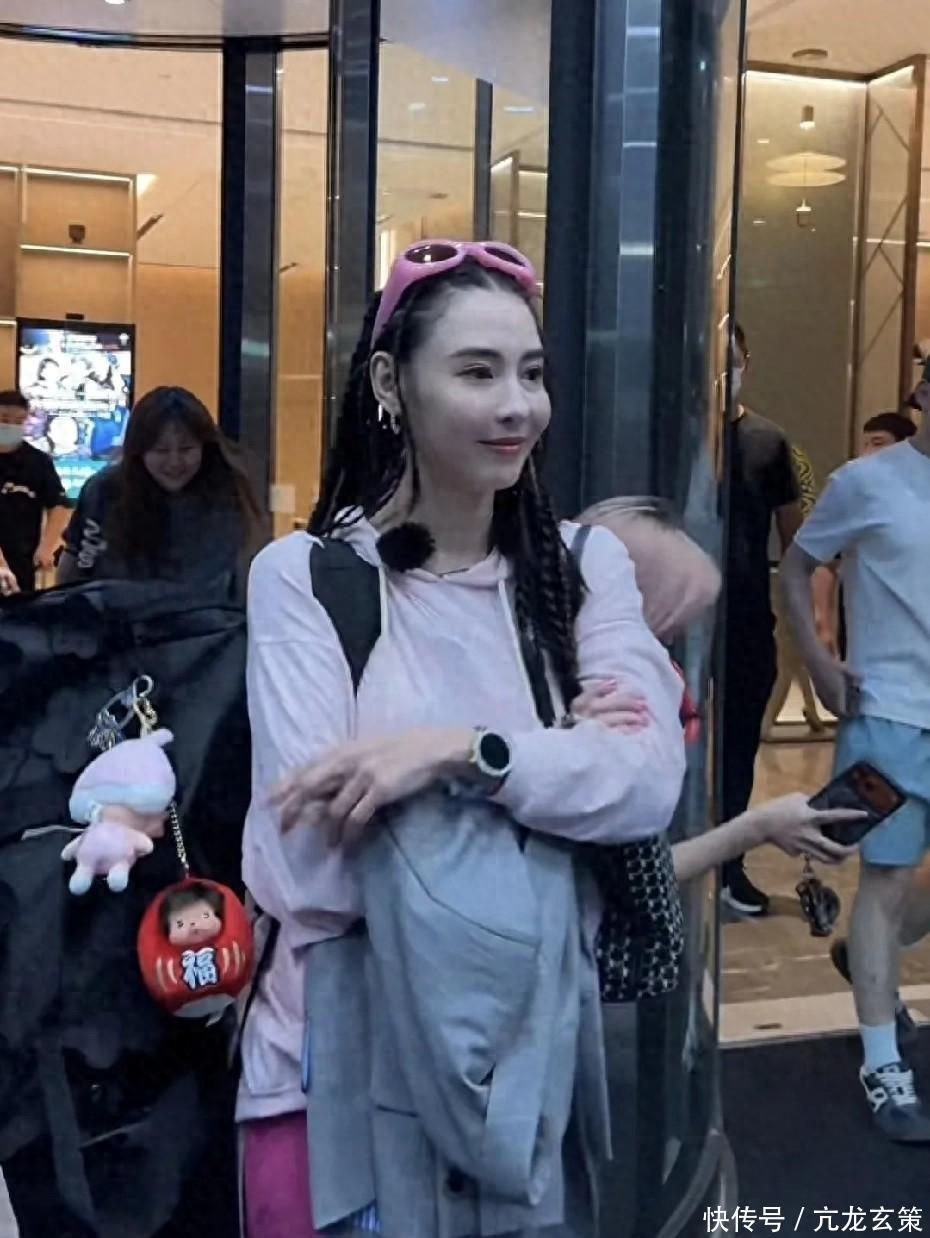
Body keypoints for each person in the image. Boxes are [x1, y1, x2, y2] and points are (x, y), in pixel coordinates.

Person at [239, 240, 687, 1238]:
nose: (517, 406)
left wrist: (457, 753)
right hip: (334, 1074)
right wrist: (560, 779)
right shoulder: (308, 578)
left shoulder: (584, 568)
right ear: (390, 383)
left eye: (531, 373)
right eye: (477, 372)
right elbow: (309, 867)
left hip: (527, 1072)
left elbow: (647, 783)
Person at [780, 409, 930, 1142]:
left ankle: (870, 953)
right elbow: (798, 564)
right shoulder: (865, 483)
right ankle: (882, 1062)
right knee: (887, 881)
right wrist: (818, 658)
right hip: (891, 714)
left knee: (901, 899)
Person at [722, 324, 804, 915]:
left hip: (746, 614)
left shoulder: (767, 441)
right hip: (672, 617)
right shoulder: (671, 433)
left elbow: (794, 536)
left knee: (738, 745)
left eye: (734, 359)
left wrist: (807, 617)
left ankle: (730, 864)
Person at [57, 385, 267, 593]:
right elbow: (76, 568)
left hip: (206, 612)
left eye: (186, 449)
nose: (174, 462)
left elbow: (249, 568)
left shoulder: (230, 491)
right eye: (161, 451)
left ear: (205, 447)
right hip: (118, 611)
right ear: (139, 451)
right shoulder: (105, 491)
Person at [0, 388, 72, 597]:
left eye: (18, 421)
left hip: (23, 559)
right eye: (4, 419)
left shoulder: (37, 462)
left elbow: (58, 504)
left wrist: (47, 546)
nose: (11, 426)